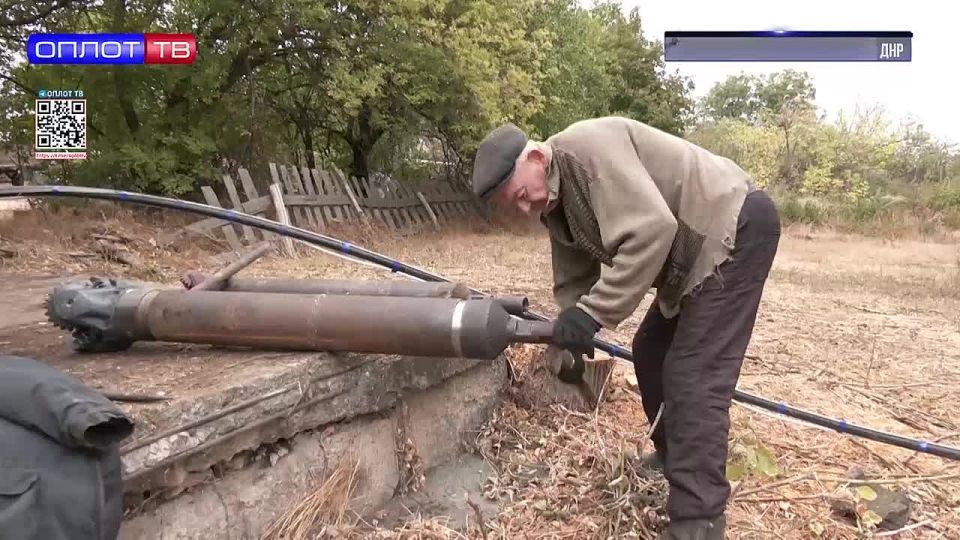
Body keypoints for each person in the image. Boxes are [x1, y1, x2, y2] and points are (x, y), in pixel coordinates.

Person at [470, 116, 781, 539]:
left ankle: (698, 521)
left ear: (537, 157)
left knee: (693, 377)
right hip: (691, 257)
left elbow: (653, 229)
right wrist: (569, 338)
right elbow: (574, 277)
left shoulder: (586, 152)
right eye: (515, 205)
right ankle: (674, 456)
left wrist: (593, 314)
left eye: (523, 195)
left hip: (731, 227)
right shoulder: (557, 198)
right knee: (650, 350)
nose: (526, 208)